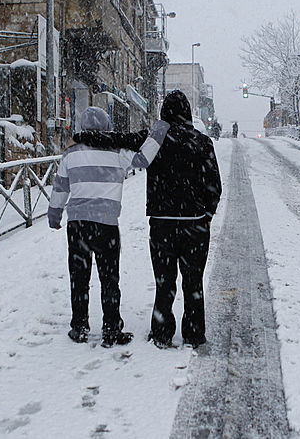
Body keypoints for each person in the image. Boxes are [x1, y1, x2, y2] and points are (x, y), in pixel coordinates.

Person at [73, 91, 222, 349]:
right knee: (193, 281)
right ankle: (194, 332)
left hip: (162, 223)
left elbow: (118, 139)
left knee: (164, 282)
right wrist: (206, 215)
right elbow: (214, 186)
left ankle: (162, 332)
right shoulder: (202, 142)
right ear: (187, 112)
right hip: (195, 223)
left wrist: (85, 137)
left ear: (164, 113)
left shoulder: (154, 139)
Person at [48, 107, 169, 347]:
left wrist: (55, 214)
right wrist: (160, 129)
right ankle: (112, 328)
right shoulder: (118, 153)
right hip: (106, 225)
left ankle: (79, 326)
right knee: (109, 279)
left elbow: (60, 187)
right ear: (107, 127)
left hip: (78, 225)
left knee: (79, 278)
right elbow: (145, 159)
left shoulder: (71, 154)